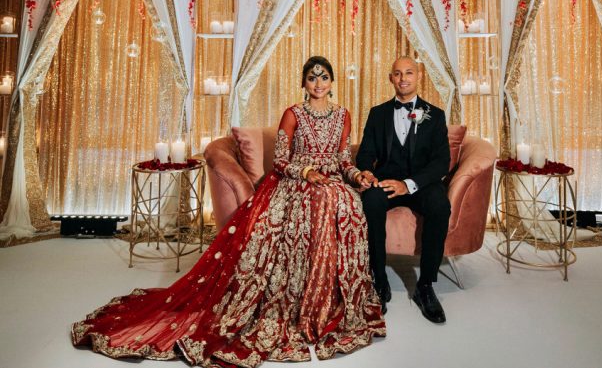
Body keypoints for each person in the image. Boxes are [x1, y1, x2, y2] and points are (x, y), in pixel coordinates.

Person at [72, 56, 385, 367]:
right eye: (312, 77)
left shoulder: (343, 115)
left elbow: (344, 160)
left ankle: (329, 303)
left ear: (332, 82)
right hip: (296, 182)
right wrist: (305, 173)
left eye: (324, 77)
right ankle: (299, 304)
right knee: (324, 200)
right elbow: (280, 161)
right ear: (303, 83)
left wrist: (357, 175)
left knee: (348, 203)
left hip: (331, 182)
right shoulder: (293, 114)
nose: (318, 83)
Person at [356, 56, 451, 324]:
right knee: (370, 201)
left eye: (409, 73)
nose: (403, 78)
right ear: (391, 78)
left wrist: (408, 184)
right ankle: (379, 280)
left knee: (440, 205)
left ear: (418, 76)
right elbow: (365, 154)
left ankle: (425, 286)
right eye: (397, 73)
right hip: (386, 181)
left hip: (421, 184)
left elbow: (441, 162)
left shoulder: (435, 115)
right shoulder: (378, 113)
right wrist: (367, 172)